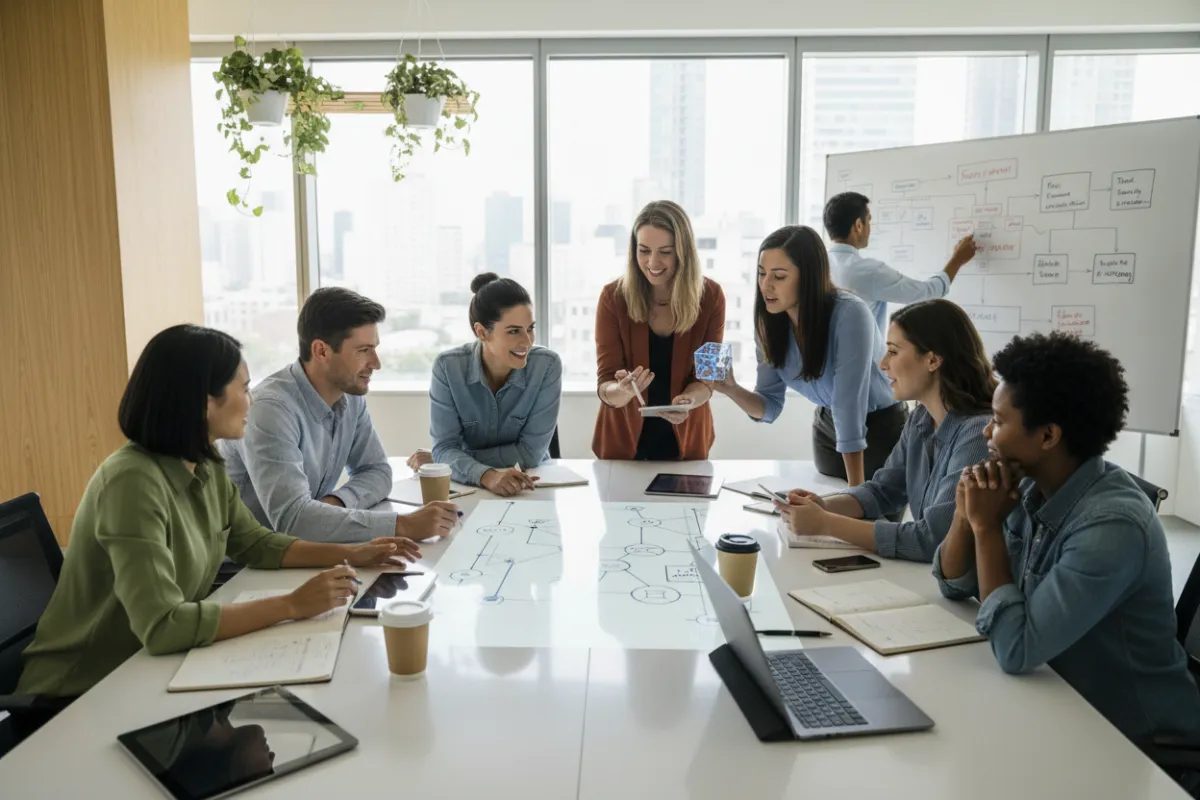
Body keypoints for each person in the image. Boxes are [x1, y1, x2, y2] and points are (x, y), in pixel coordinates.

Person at [17, 325, 417, 703]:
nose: (252, 400)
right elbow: (163, 626)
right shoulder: (131, 483)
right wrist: (292, 605)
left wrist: (354, 552)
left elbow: (255, 544)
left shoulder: (204, 463)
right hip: (79, 694)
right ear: (204, 402)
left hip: (149, 671)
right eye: (243, 388)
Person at [934, 332, 1200, 761]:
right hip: (1056, 702)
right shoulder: (1028, 485)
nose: (986, 431)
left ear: (1048, 436)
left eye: (998, 421)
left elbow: (1017, 649)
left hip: (1133, 743)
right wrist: (966, 515)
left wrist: (986, 528)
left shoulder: (1111, 525)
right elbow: (953, 584)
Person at [220, 287, 458, 543]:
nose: (376, 363)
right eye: (363, 350)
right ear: (321, 351)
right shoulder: (270, 409)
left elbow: (377, 471)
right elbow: (293, 520)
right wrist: (404, 525)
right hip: (244, 562)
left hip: (304, 550)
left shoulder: (350, 396)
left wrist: (335, 503)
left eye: (374, 348)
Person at [775, 299, 993, 561]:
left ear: (933, 360)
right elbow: (882, 490)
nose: (883, 364)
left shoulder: (978, 434)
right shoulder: (921, 418)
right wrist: (823, 506)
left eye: (893, 351)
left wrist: (826, 523)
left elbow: (933, 540)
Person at [712, 225, 906, 486]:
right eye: (761, 273)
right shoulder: (768, 324)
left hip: (881, 428)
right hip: (828, 427)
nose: (766, 285)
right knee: (825, 507)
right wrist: (731, 389)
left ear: (808, 277)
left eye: (779, 276)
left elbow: (849, 403)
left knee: (870, 509)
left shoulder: (850, 313)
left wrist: (856, 493)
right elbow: (769, 407)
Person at [593, 200, 725, 460]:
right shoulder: (612, 297)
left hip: (688, 443)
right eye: (644, 250)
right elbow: (605, 382)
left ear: (683, 252)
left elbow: (707, 378)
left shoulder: (712, 296)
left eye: (665, 251)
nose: (652, 262)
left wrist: (688, 401)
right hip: (622, 444)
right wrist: (622, 392)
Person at [426, 273, 562, 496]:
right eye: (514, 331)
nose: (527, 341)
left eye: (530, 328)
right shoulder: (448, 368)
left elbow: (531, 454)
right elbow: (444, 449)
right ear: (481, 332)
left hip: (530, 485)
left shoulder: (547, 366)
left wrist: (454, 459)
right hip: (470, 488)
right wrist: (487, 475)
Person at [824, 191, 978, 334]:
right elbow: (927, 293)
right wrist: (957, 260)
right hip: (863, 355)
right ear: (858, 225)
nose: (870, 227)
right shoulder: (869, 272)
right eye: (869, 221)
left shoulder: (820, 266)